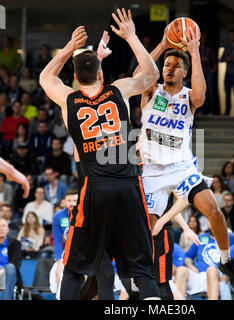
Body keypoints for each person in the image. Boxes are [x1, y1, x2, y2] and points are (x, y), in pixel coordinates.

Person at [39, 9, 162, 300]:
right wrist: (131, 36)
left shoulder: (68, 100)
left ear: (75, 76)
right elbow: (152, 74)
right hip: (130, 187)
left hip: (94, 191)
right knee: (142, 271)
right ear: (99, 73)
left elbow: (46, 76)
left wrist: (70, 46)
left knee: (72, 270)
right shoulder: (119, 90)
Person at [137, 23, 234, 293]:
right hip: (151, 170)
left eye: (175, 65)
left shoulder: (188, 96)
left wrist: (195, 53)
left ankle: (226, 261)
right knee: (148, 234)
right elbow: (140, 74)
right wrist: (163, 44)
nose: (169, 68)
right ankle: (145, 284)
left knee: (214, 211)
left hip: (182, 166)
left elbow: (200, 95)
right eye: (166, 65)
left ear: (184, 71)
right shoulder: (151, 91)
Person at [174, 223, 234, 300]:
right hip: (199, 274)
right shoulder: (201, 237)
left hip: (217, 276)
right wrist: (191, 267)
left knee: (211, 270)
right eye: (211, 222)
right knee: (181, 270)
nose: (214, 224)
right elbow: (188, 256)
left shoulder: (231, 238)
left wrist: (229, 274)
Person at [0, 217, 22, 300]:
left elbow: (16, 263)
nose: (1, 229)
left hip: (8, 275)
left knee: (10, 267)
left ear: (8, 229)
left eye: (3, 226)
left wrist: (2, 271)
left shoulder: (15, 244)